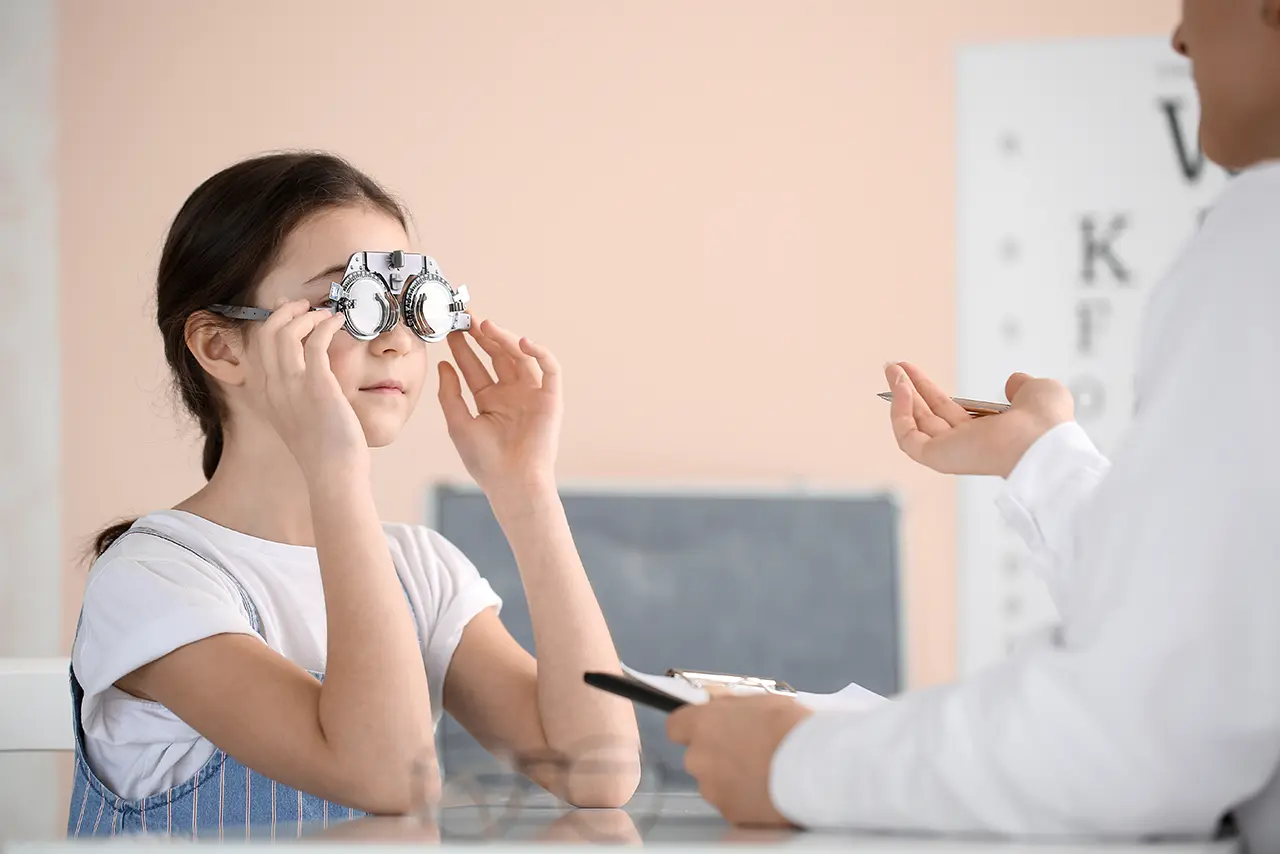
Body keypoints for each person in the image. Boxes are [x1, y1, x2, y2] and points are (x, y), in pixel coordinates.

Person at [667, 0, 1280, 846]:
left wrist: (794, 762)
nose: (1177, 36)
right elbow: (1227, 608)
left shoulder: (1260, 248)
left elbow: (1140, 731)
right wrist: (1042, 459)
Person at [68, 151, 640, 838]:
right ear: (221, 347)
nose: (397, 339)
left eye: (411, 303)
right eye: (353, 303)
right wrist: (335, 472)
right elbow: (387, 776)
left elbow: (597, 771)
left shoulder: (419, 569)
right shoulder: (154, 580)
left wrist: (526, 491)